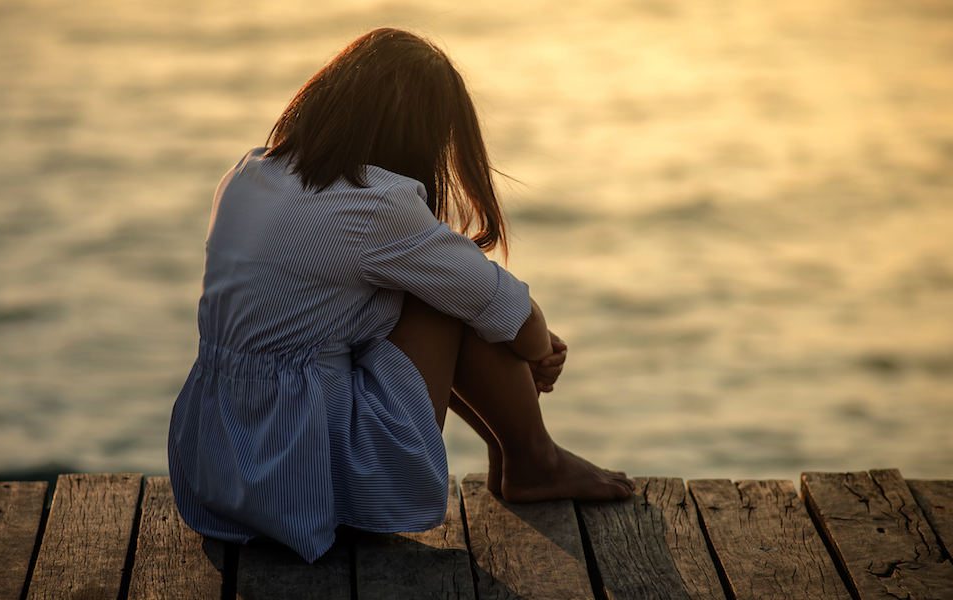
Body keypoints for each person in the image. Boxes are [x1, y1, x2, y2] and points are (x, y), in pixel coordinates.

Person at [167, 27, 633, 563]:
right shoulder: (372, 205)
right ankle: (534, 458)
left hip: (218, 467)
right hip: (306, 482)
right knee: (443, 296)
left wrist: (517, 333)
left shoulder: (249, 173)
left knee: (421, 289)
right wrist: (537, 351)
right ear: (414, 135)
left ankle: (525, 455)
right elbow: (509, 309)